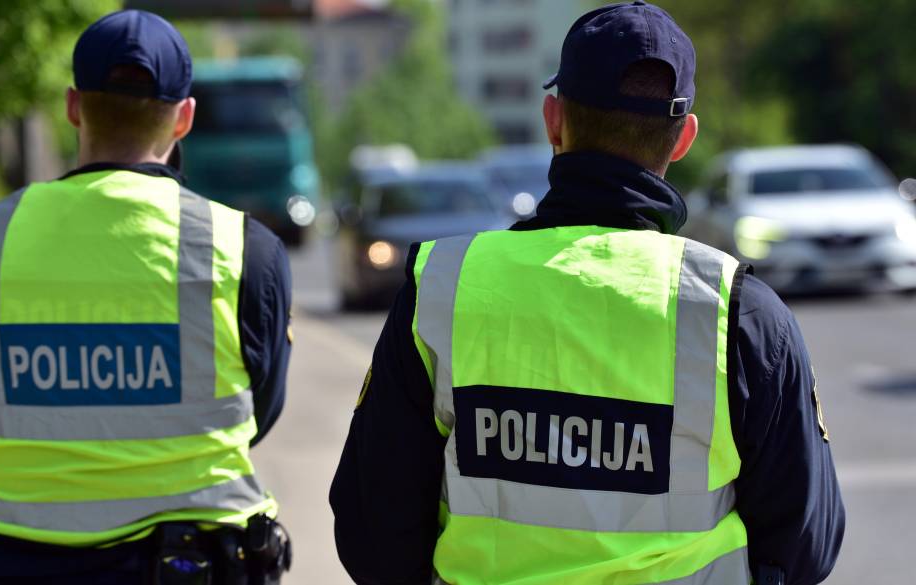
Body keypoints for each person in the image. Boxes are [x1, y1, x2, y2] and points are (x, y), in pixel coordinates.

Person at [329, 2, 845, 584]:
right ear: (683, 138)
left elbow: (373, 533)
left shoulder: (443, 287)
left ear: (553, 120)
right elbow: (805, 546)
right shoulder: (737, 312)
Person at [0, 10, 292, 585]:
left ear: (74, 107)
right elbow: (259, 410)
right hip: (188, 562)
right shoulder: (244, 249)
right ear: (184, 118)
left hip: (3, 562)